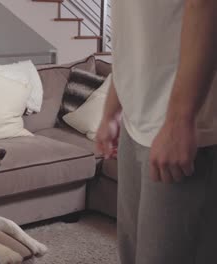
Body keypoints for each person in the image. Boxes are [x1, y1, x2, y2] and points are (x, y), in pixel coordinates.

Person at [96, 1, 217, 263]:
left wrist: (180, 120)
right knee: (131, 254)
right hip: (135, 123)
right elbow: (135, 32)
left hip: (182, 127)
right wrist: (112, 110)